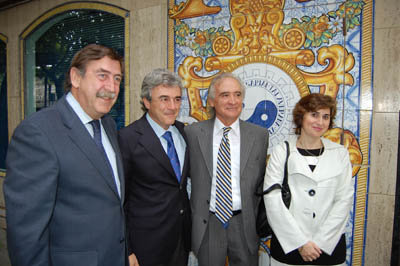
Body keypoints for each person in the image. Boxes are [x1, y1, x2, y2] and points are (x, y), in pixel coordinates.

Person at [4, 44, 139, 266]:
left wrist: (126, 251)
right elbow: (26, 233)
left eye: (117, 79)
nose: (112, 87)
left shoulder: (108, 125)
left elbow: (112, 202)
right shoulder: (38, 132)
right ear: (76, 77)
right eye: (102, 76)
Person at [185, 72, 269, 266]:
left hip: (245, 224)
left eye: (237, 94)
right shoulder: (192, 133)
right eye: (225, 95)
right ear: (212, 101)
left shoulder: (259, 136)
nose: (233, 101)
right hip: (208, 224)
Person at [263, 93, 354, 266]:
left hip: (328, 247)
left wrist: (320, 242)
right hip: (289, 246)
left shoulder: (340, 153)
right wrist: (300, 243)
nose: (320, 122)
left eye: (325, 116)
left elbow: (344, 199)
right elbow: (272, 199)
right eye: (314, 114)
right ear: (301, 117)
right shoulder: (282, 151)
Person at [118, 68, 191, 266]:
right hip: (145, 247)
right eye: (164, 99)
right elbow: (120, 201)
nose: (172, 106)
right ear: (147, 101)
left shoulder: (183, 132)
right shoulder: (127, 139)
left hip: (181, 241)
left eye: (177, 99)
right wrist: (128, 249)